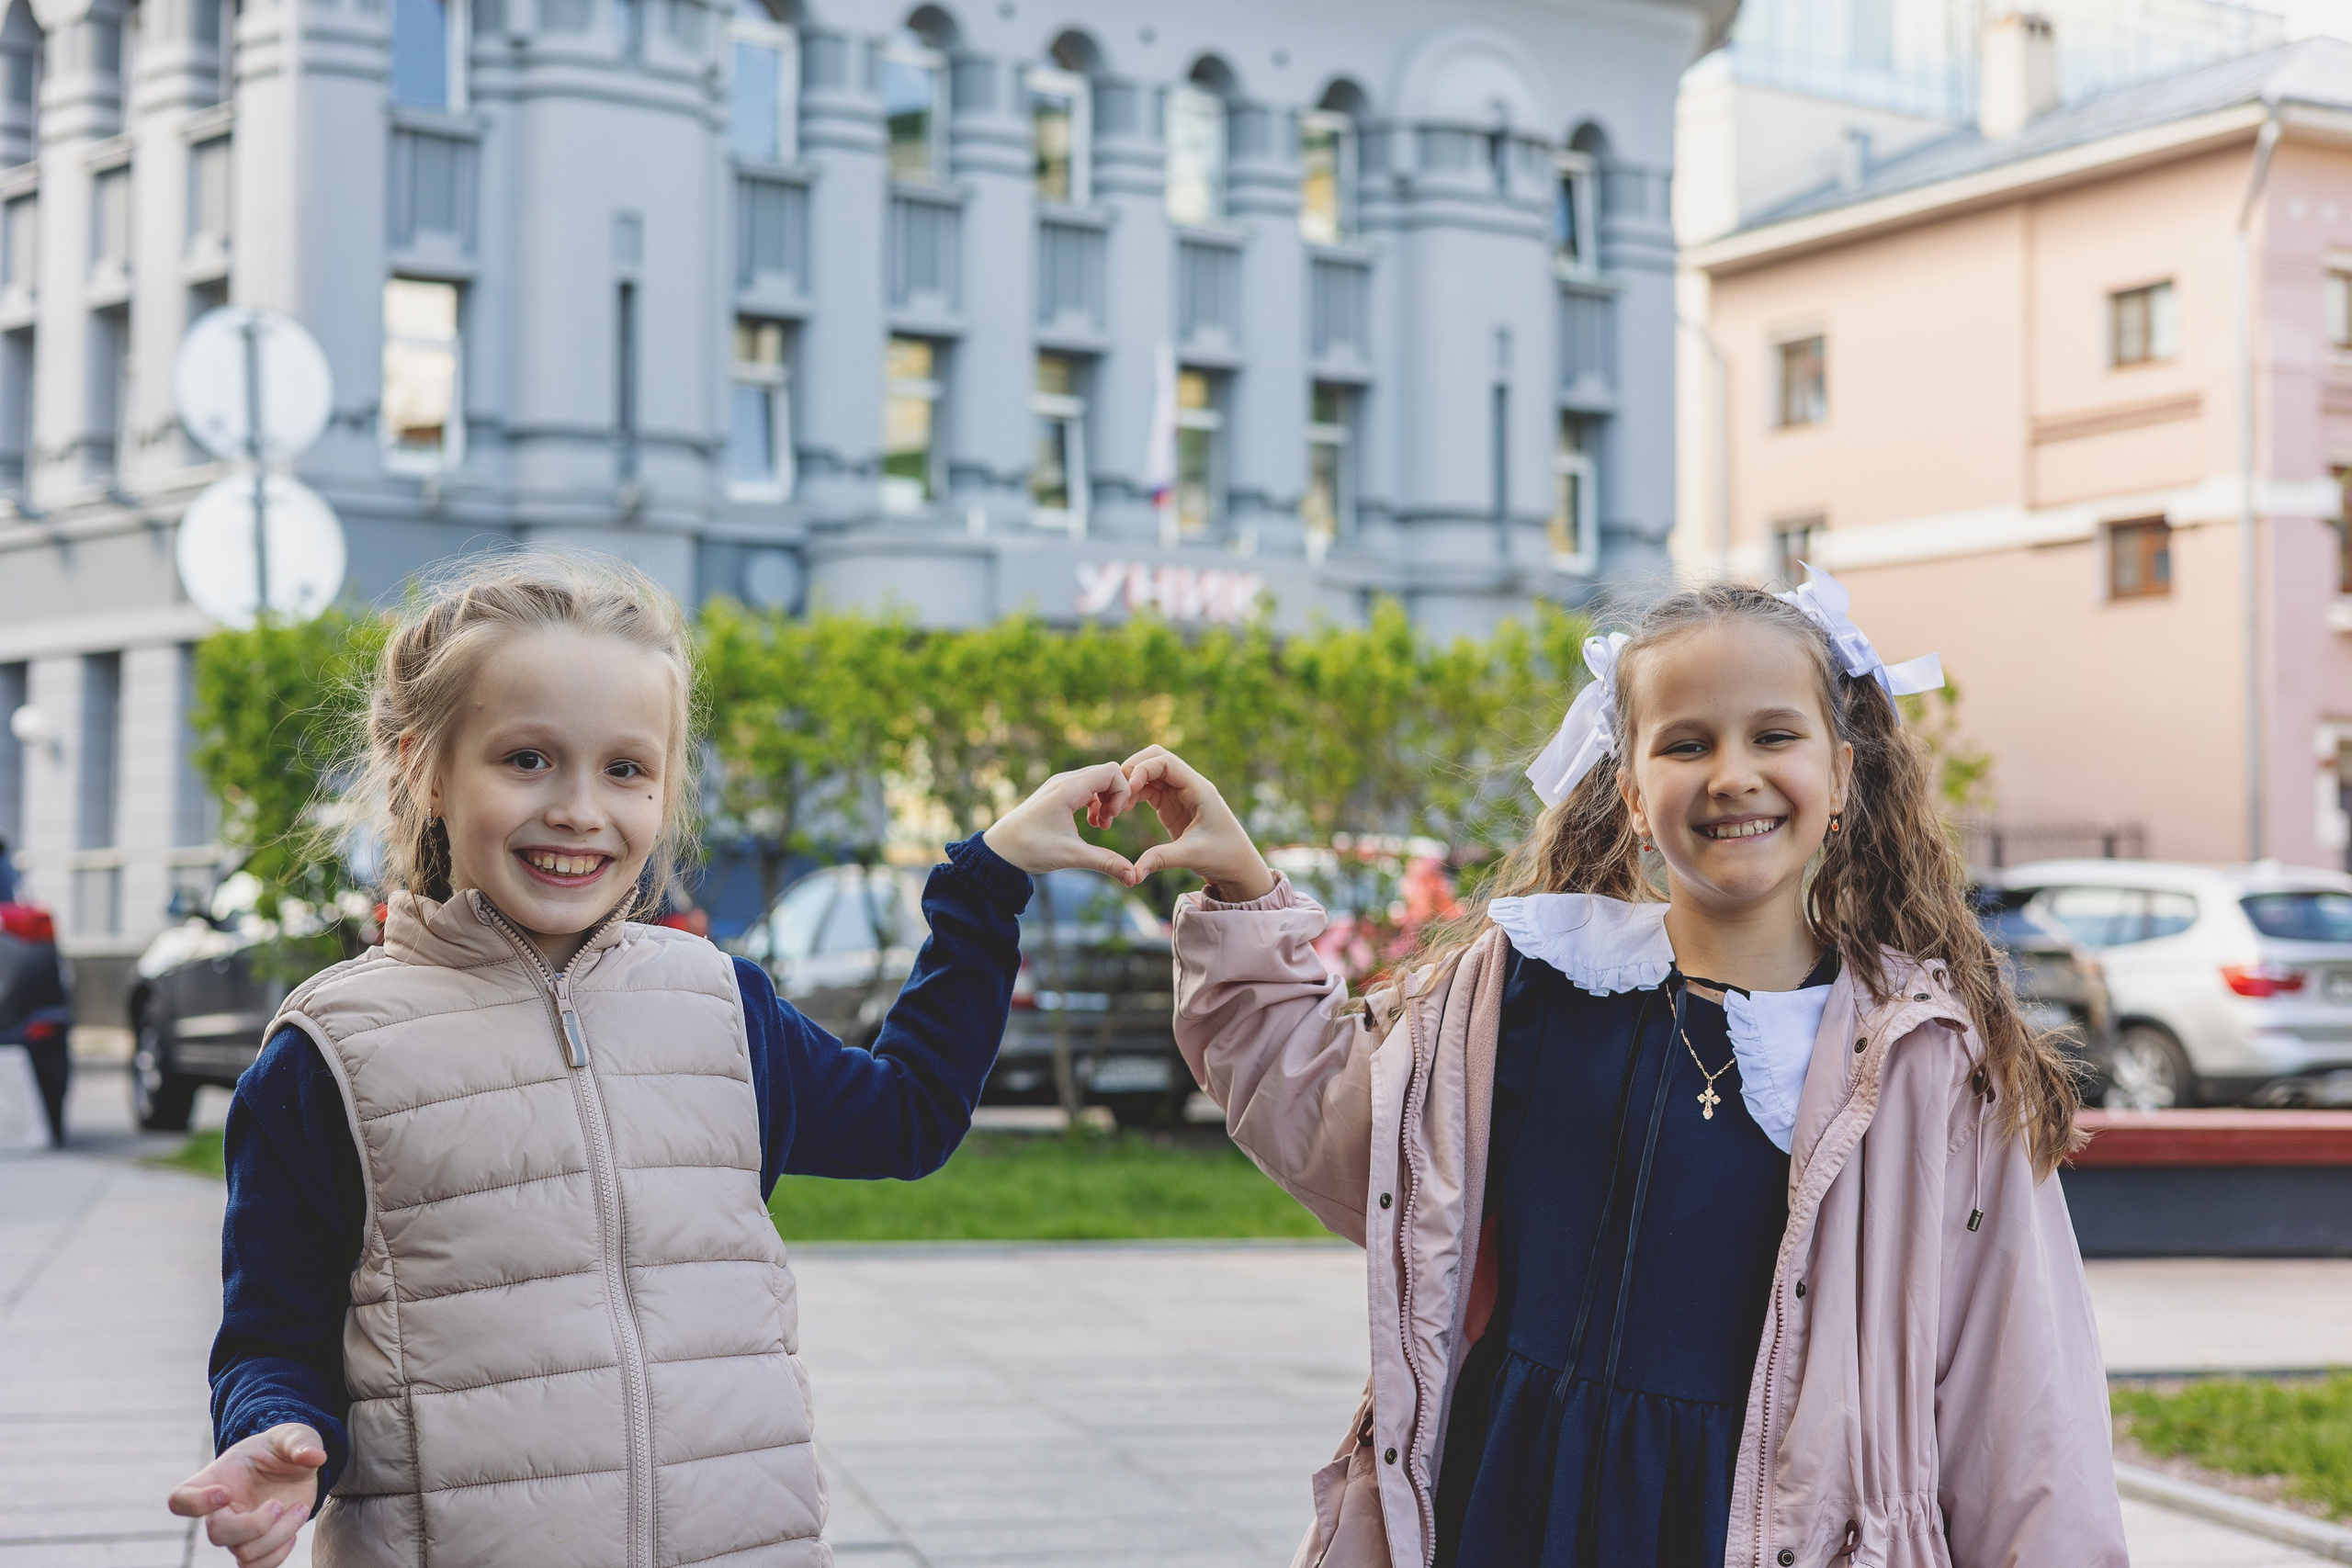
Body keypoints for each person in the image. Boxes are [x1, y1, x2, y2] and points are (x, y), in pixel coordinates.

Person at [1121, 570, 2126, 1568]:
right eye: (1686, 743)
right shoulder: (1521, 993)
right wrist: (1242, 889)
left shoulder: (1930, 1067)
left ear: (1843, 780)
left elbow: (2025, 1404)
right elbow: (1331, 1126)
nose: (1732, 773)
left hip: (1758, 1533)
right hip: (1505, 1504)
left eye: (1774, 736)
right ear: (1634, 796)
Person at [165, 551, 1138, 1568]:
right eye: (528, 759)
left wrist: (989, 883)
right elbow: (273, 1333)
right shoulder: (328, 1056)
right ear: (424, 767)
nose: (581, 809)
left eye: (625, 769)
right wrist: (276, 1435)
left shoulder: (720, 1005)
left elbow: (909, 1118)